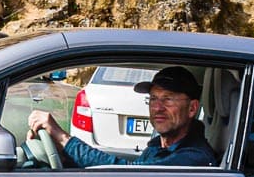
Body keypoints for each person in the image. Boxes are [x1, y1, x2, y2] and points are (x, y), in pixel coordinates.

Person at [27, 66, 218, 167]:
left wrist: (63, 138)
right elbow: (134, 168)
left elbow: (130, 174)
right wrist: (64, 156)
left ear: (192, 108)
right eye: (153, 99)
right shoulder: (159, 147)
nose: (157, 108)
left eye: (168, 99)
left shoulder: (193, 158)